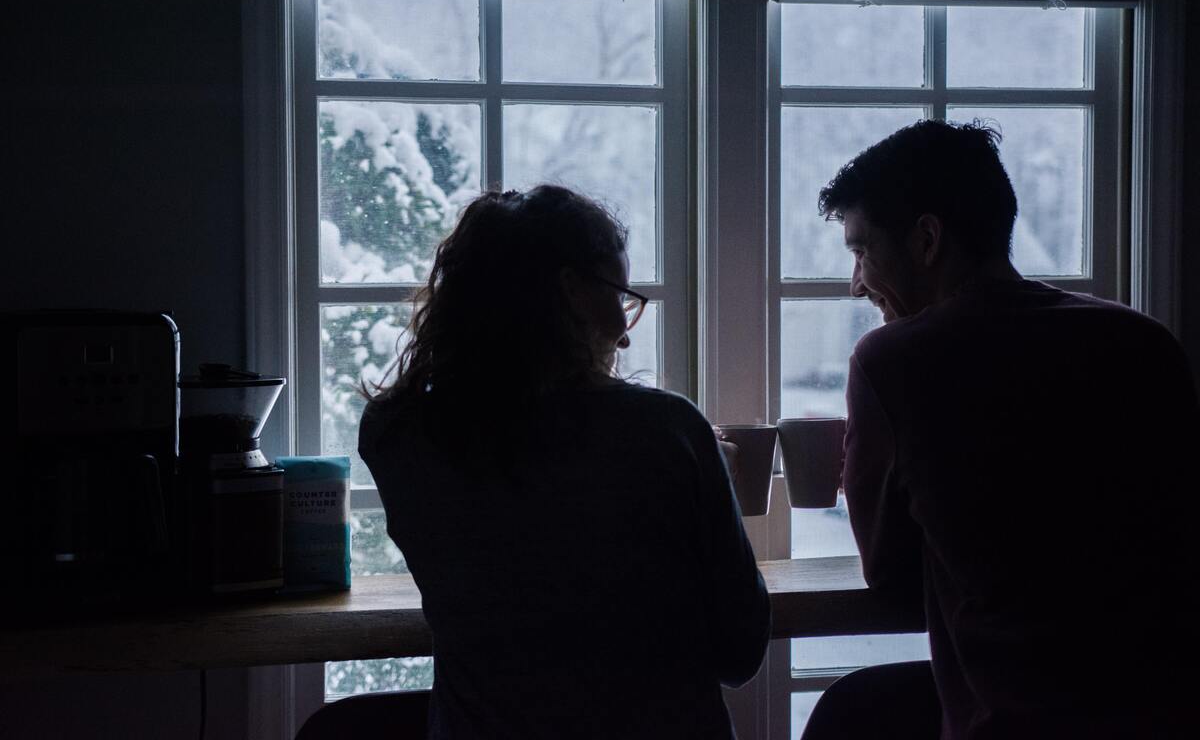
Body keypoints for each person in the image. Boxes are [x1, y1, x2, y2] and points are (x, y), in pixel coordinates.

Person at [806, 120, 1198, 739]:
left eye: (861, 251)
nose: (857, 283)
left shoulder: (896, 361)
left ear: (926, 239)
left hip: (1012, 717)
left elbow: (891, 576)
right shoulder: (1144, 344)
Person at [358, 185, 771, 739]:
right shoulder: (667, 432)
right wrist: (705, 484)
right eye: (619, 298)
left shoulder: (395, 432)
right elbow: (739, 653)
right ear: (573, 292)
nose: (624, 333)